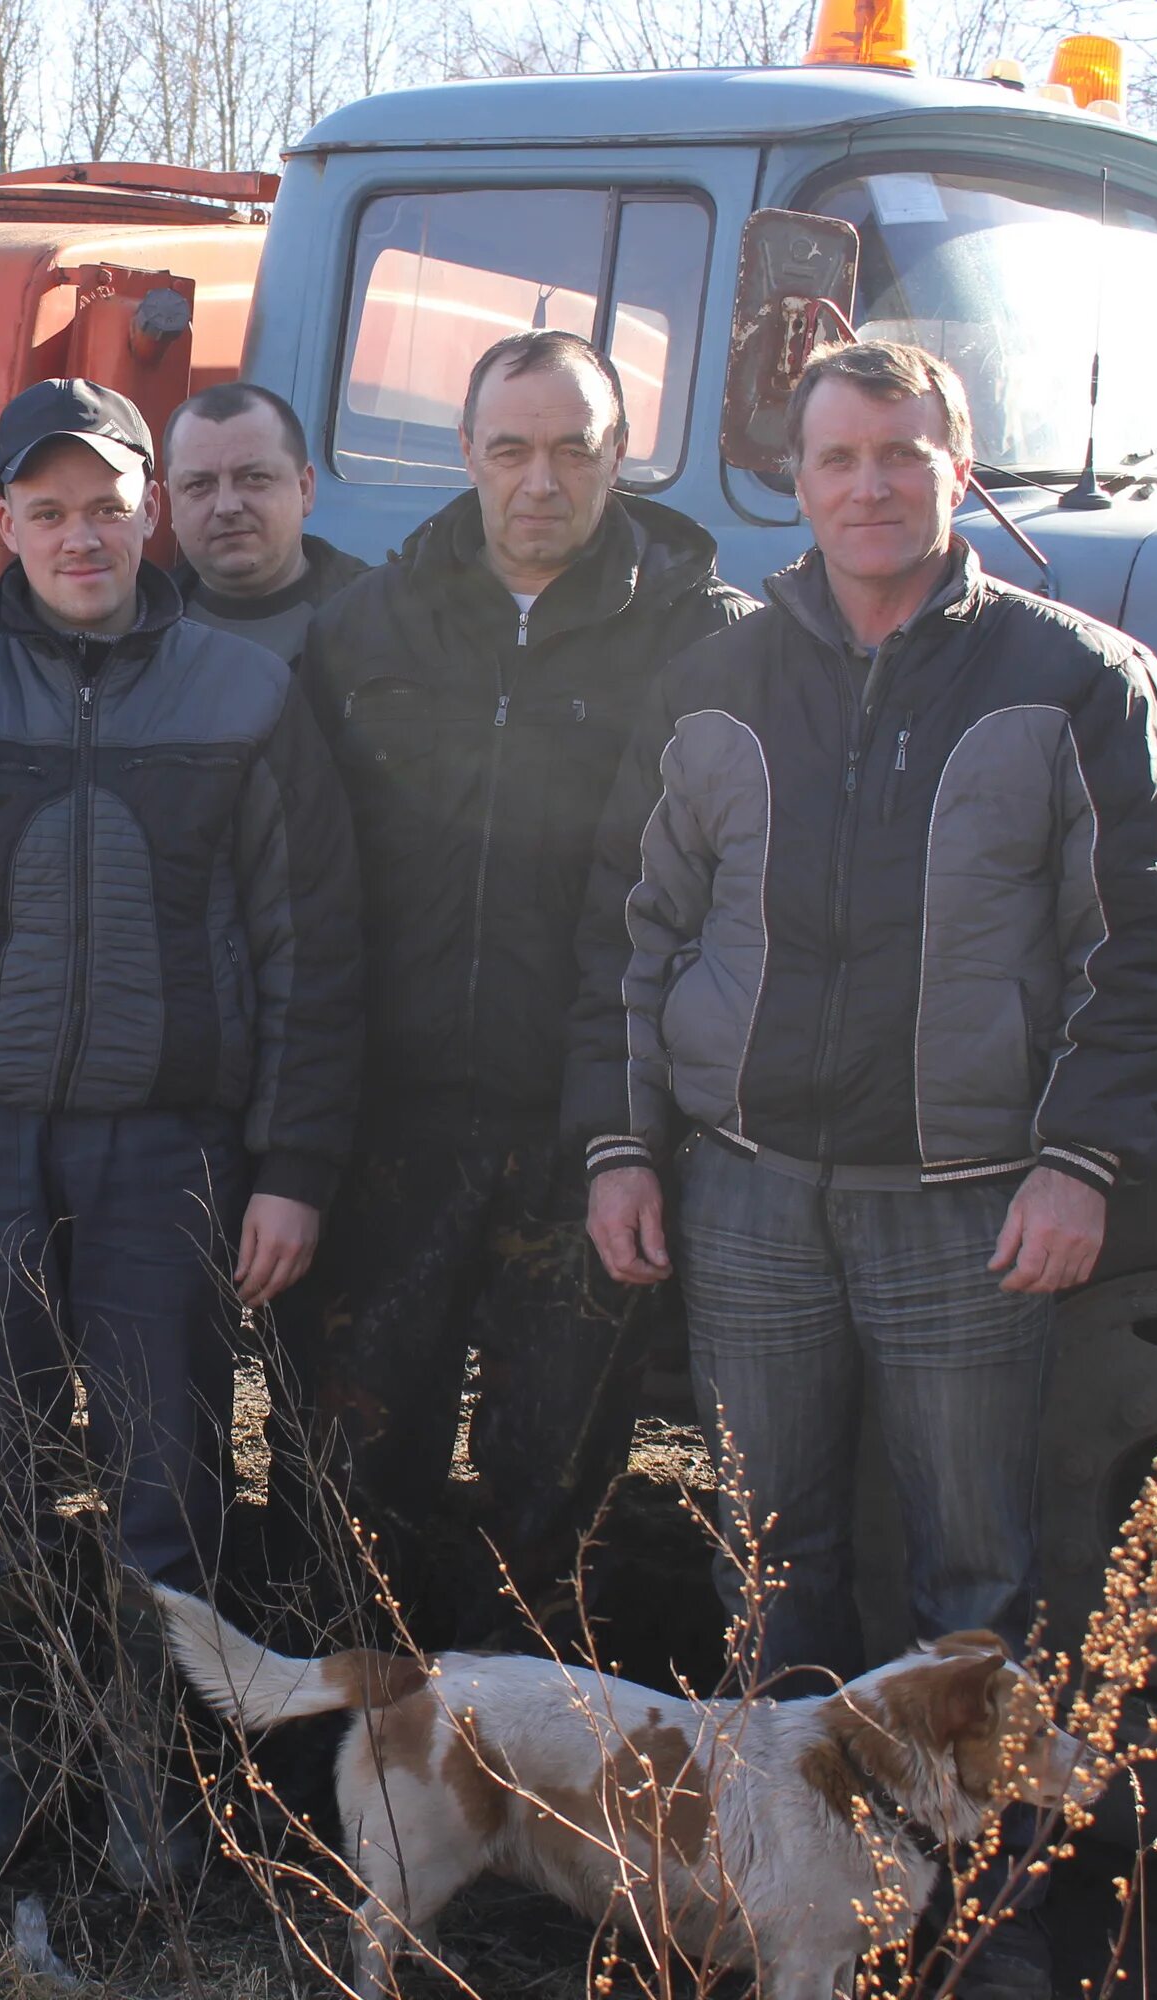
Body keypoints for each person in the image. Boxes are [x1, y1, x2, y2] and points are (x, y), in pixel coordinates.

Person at [566, 342, 1157, 1999]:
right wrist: (625, 1143)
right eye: (838, 455)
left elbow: (1145, 950)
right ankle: (790, 1907)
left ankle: (987, 1916)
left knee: (972, 1582)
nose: (869, 485)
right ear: (795, 473)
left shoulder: (1075, 677)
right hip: (752, 1189)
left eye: (902, 455)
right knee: (772, 1571)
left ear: (960, 466)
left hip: (974, 1202)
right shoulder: (714, 677)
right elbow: (630, 934)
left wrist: (1079, 1164)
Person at [0, 378, 363, 1887]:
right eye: (46, 511)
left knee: (170, 1485)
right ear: (4, 527)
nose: (79, 535)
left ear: (147, 510)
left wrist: (291, 1170)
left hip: (167, 1155)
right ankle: (4, 1767)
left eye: (104, 505)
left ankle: (147, 1786)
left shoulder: (244, 696)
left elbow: (313, 949)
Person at [295, 331, 750, 1640]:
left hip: (589, 1133)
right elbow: (303, 894)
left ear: (622, 455)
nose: (540, 479)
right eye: (511, 448)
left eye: (573, 447)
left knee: (553, 1486)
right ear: (467, 455)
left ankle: (522, 1794)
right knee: (356, 1468)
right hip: (399, 1134)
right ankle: (349, 1790)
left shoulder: (705, 644)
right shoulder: (365, 630)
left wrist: (651, 1130)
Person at [164, 381, 372, 669]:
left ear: (305, 489)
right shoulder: (129, 641)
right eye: (199, 485)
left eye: (254, 478)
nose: (227, 506)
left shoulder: (389, 620)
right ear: (170, 504)